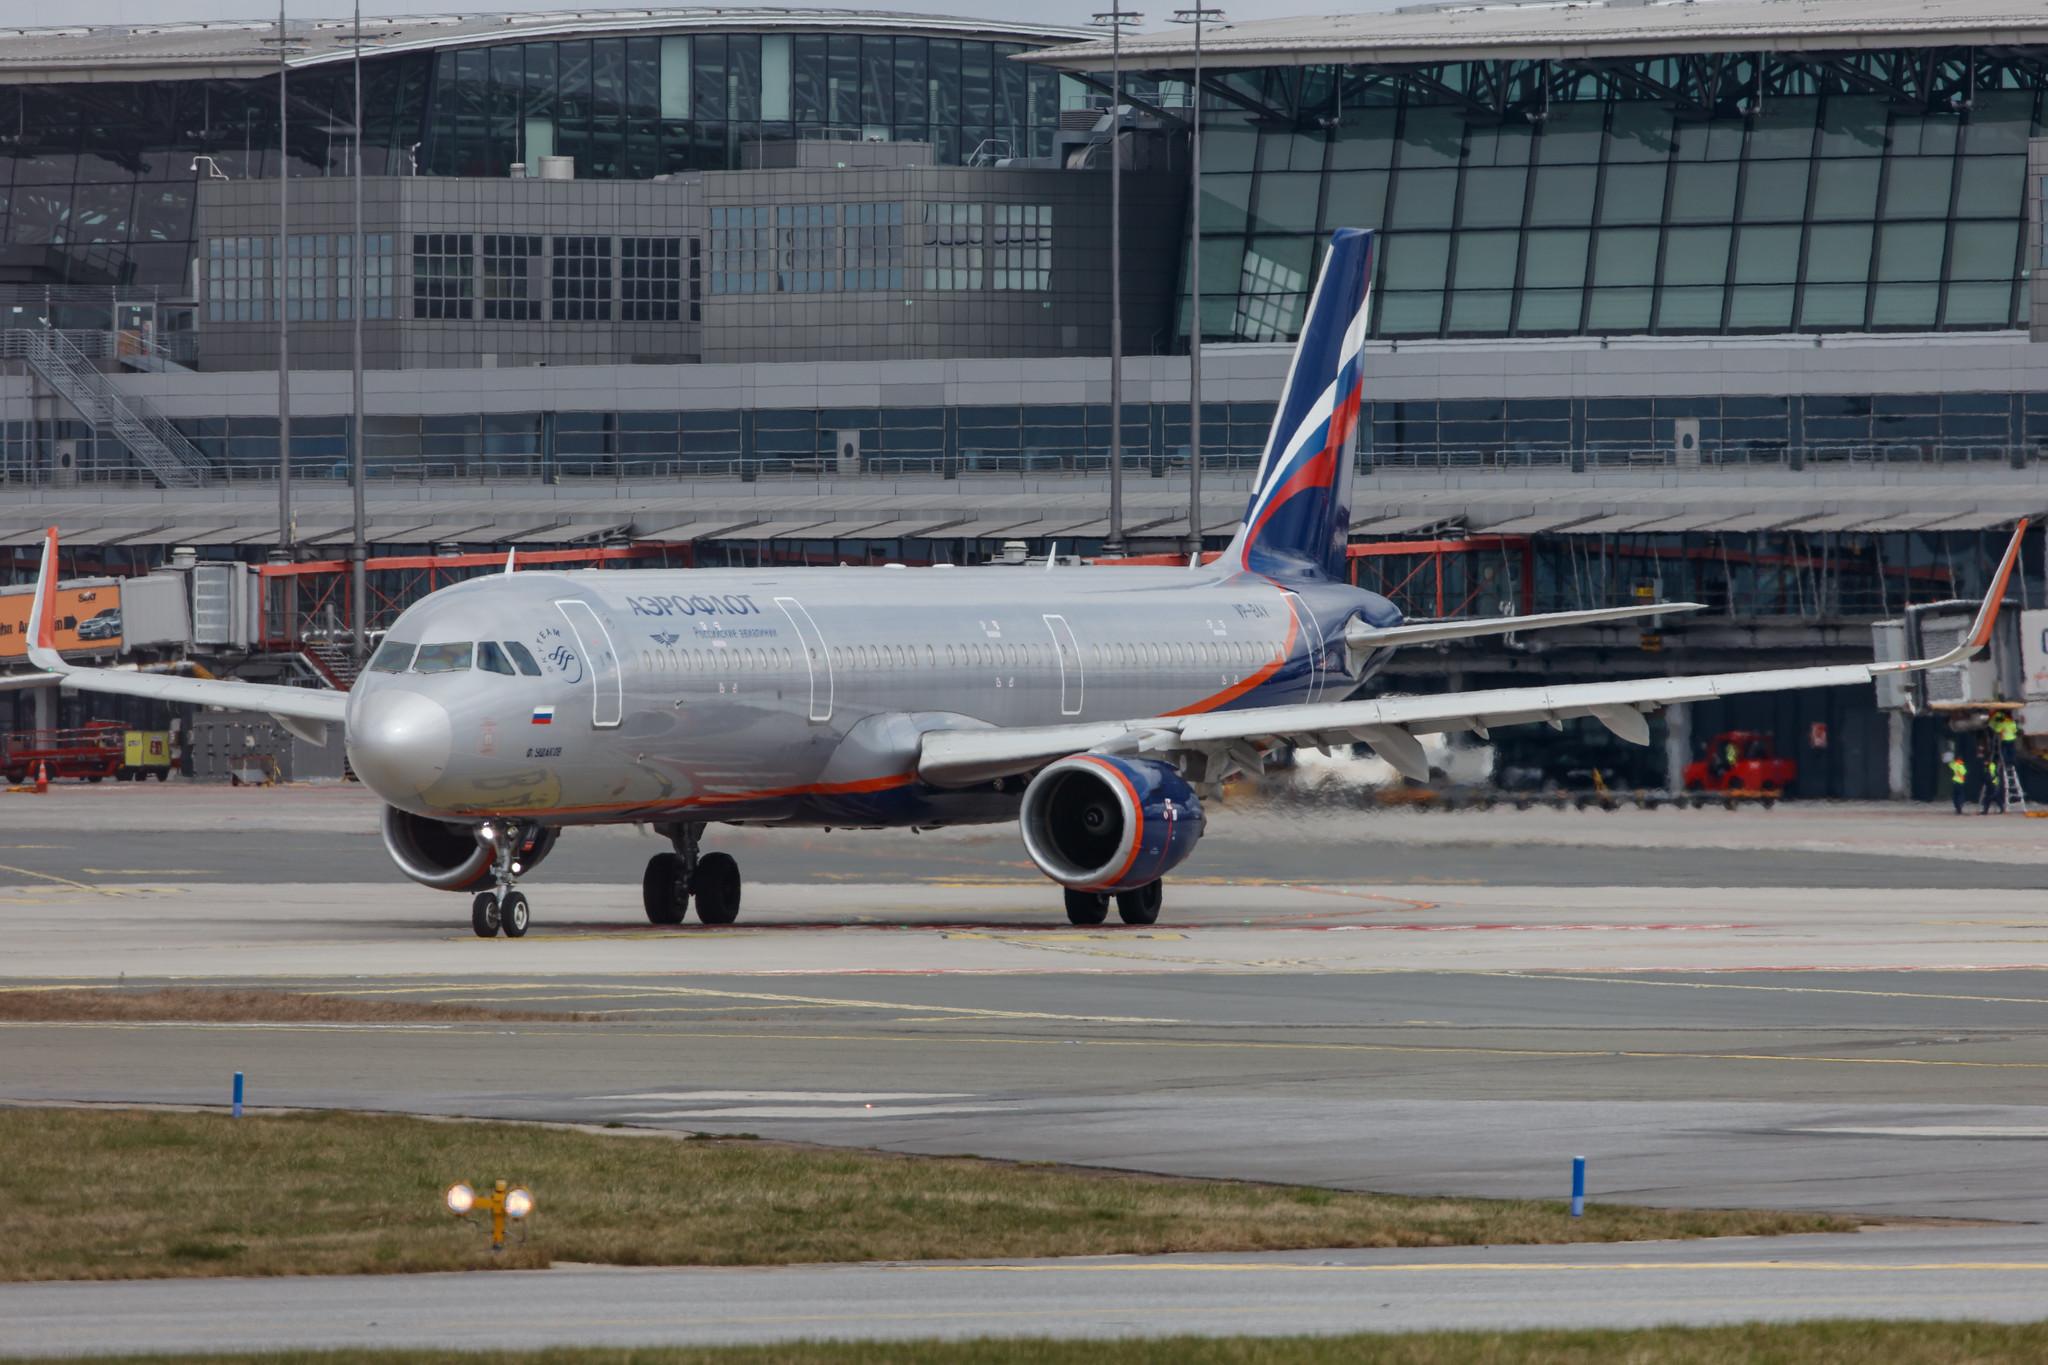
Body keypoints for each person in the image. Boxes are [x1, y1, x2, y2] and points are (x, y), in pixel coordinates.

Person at [1981, 744, 2006, 814]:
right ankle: (1987, 810)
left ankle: (1986, 810)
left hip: (1993, 783)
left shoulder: (1991, 766)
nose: (1984, 763)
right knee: (1993, 797)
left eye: (1985, 762)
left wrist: (1993, 783)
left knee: (1990, 797)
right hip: (1990, 783)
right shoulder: (1987, 767)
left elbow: (1992, 775)